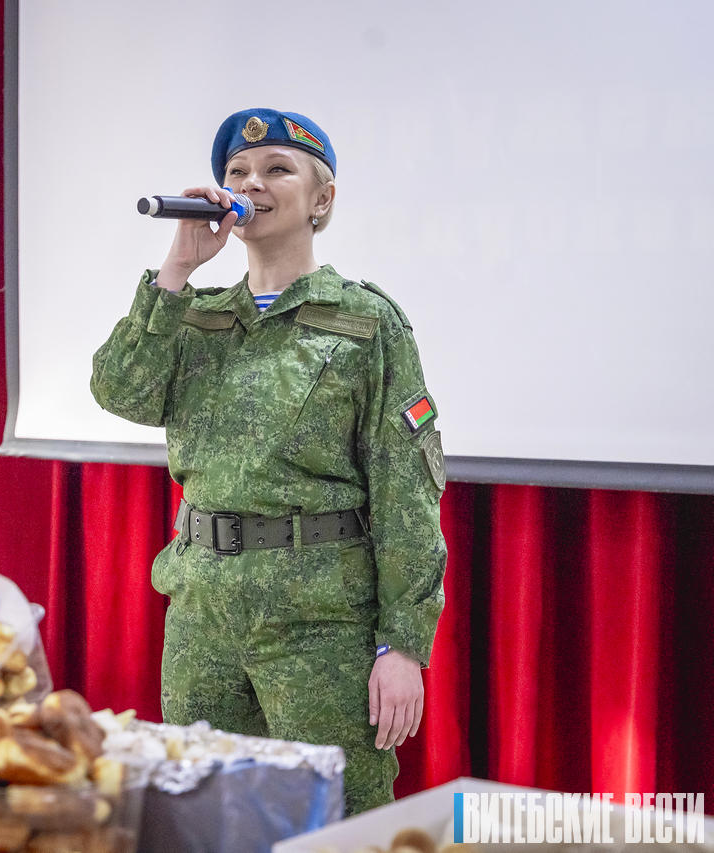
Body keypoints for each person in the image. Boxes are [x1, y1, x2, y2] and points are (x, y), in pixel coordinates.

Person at [90, 108, 446, 815]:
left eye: (277, 170)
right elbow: (120, 391)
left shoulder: (364, 322)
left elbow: (406, 490)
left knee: (335, 817)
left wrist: (403, 645)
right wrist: (178, 267)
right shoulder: (196, 316)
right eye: (237, 172)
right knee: (203, 813)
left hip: (320, 624)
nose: (250, 183)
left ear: (322, 200)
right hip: (203, 614)